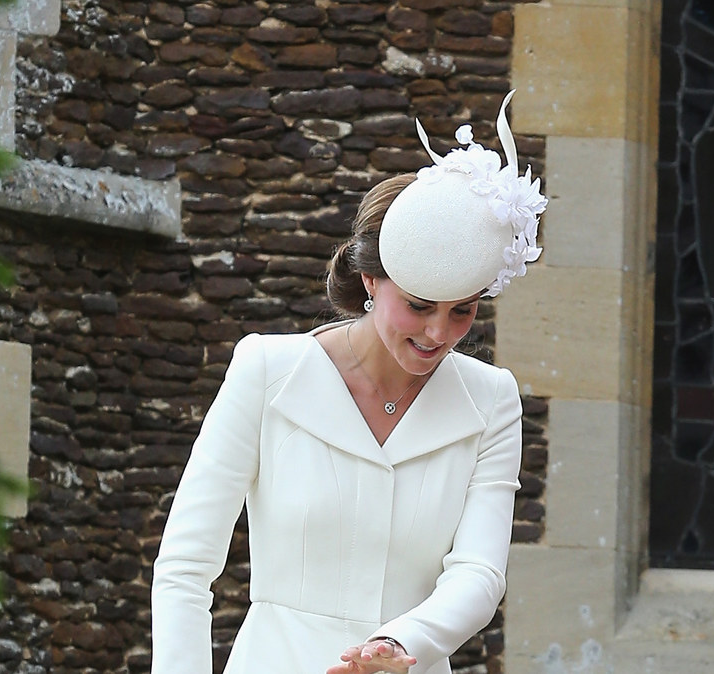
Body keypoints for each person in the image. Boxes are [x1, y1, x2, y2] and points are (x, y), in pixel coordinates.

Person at [151, 92, 546, 674]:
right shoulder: (266, 370)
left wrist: (399, 644)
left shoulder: (491, 400)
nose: (439, 332)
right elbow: (185, 566)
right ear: (371, 280)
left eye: (462, 311)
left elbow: (480, 573)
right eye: (418, 306)